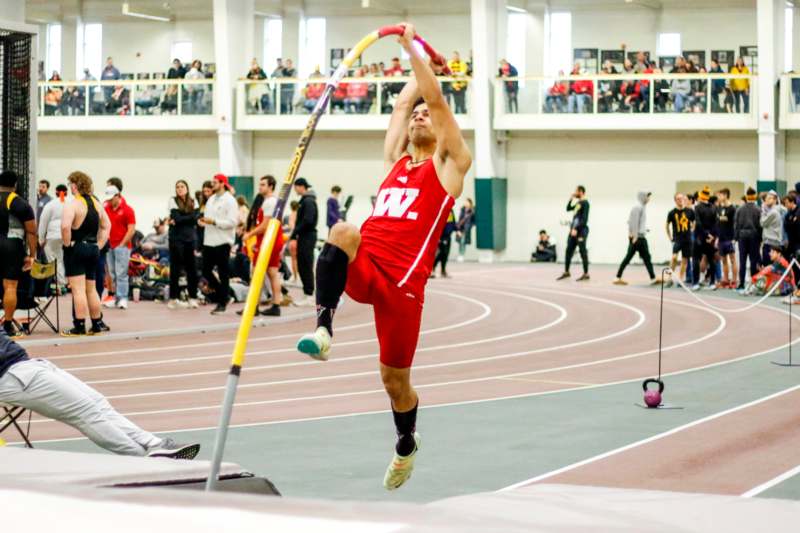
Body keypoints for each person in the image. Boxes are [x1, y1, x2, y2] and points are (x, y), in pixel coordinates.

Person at [294, 23, 472, 491]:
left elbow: (435, 101)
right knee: (342, 231)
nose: (418, 116)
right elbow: (403, 102)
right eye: (414, 115)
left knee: (394, 383)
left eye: (425, 117)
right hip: (367, 265)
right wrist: (421, 69)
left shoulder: (451, 165)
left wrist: (413, 50)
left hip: (404, 290)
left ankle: (406, 442)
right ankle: (323, 329)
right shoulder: (396, 159)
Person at [0, 330, 200, 458]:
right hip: (12, 376)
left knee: (98, 402)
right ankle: (143, 459)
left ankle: (155, 445)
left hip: (28, 364)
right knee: (86, 413)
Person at [61, 171, 110, 336]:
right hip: (93, 249)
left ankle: (80, 326)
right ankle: (97, 324)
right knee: (91, 289)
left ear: (74, 185)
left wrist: (67, 245)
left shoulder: (73, 204)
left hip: (78, 248)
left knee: (78, 290)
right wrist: (99, 245)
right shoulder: (97, 204)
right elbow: (106, 226)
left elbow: (65, 227)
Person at [239, 175, 283, 317]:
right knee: (272, 273)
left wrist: (250, 235)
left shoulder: (269, 202)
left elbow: (265, 226)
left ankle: (253, 307)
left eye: (263, 184)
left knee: (256, 273)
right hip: (272, 240)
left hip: (268, 241)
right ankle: (276, 305)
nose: (260, 187)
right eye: (260, 184)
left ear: (271, 186)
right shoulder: (273, 201)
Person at [0, 171, 37, 337]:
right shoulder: (20, 203)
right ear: (15, 184)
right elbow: (31, 231)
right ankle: (7, 325)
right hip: (12, 246)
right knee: (10, 286)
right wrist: (32, 255)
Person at [199, 174, 238, 314]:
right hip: (209, 241)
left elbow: (233, 222)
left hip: (223, 241)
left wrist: (214, 222)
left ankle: (222, 303)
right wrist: (203, 222)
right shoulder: (210, 200)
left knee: (223, 273)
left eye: (214, 183)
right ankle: (225, 295)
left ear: (222, 184)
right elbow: (209, 219)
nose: (212, 185)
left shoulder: (230, 200)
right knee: (205, 271)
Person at [614, 192, 659, 285]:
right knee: (631, 258)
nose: (649, 198)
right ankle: (617, 277)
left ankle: (653, 278)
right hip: (638, 239)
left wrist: (644, 229)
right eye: (647, 196)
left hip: (640, 237)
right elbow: (632, 222)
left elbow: (637, 222)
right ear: (642, 197)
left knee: (646, 258)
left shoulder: (642, 207)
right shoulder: (637, 207)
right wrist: (634, 236)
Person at [167, 180, 199, 309]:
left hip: (190, 239)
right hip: (176, 239)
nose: (180, 189)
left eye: (182, 186)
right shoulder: (172, 200)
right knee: (175, 269)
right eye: (177, 187)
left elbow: (195, 218)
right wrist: (188, 217)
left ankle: (192, 297)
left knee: (192, 269)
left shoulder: (194, 200)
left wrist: (181, 218)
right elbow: (178, 218)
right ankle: (173, 298)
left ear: (187, 188)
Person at [103, 184, 136, 309]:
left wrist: (121, 244)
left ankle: (123, 298)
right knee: (112, 273)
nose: (110, 201)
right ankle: (115, 297)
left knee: (121, 274)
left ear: (118, 196)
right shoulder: (106, 207)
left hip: (122, 246)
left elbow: (131, 230)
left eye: (112, 198)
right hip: (109, 246)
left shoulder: (128, 210)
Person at [289, 178, 318, 306]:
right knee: (302, 264)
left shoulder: (308, 201)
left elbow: (308, 220)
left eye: (296, 187)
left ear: (301, 187)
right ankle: (307, 293)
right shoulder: (305, 201)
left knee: (306, 264)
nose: (295, 190)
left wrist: (295, 232)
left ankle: (310, 295)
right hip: (304, 236)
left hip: (308, 236)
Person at [38, 184, 69, 286]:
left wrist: (41, 239)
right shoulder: (70, 203)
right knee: (61, 259)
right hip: (67, 235)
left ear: (56, 192)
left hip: (53, 236)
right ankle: (62, 282)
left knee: (53, 260)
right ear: (66, 192)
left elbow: (43, 222)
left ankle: (58, 283)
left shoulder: (50, 205)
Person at [557, 185, 590, 281]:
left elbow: (584, 219)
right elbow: (568, 208)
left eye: (576, 191)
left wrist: (576, 228)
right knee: (568, 251)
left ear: (581, 192)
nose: (575, 193)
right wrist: (571, 199)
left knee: (582, 251)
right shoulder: (578, 203)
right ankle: (567, 272)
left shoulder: (585, 203)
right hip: (573, 231)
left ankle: (586, 273)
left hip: (581, 231)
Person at [735, 187, 762, 292]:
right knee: (753, 261)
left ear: (746, 196)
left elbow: (736, 225)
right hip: (754, 238)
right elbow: (760, 226)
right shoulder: (758, 209)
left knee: (742, 261)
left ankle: (741, 283)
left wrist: (736, 237)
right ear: (755, 197)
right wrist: (760, 239)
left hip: (742, 237)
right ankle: (753, 283)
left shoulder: (740, 209)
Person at [665, 193, 695, 286]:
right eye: (678, 199)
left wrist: (692, 229)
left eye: (682, 198)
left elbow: (694, 222)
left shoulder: (690, 211)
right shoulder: (672, 213)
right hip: (677, 239)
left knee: (685, 260)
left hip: (687, 239)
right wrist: (670, 237)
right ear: (675, 200)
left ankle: (680, 279)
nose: (680, 200)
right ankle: (669, 278)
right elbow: (666, 225)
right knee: (674, 258)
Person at [692, 186, 718, 290]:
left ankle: (696, 283)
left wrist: (705, 235)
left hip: (700, 237)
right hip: (710, 238)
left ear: (701, 196)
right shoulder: (713, 207)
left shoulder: (697, 207)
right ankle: (712, 282)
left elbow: (698, 223)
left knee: (695, 259)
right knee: (711, 260)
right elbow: (716, 223)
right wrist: (712, 235)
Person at [716, 188, 738, 288]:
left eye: (720, 195)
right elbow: (719, 223)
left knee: (732, 260)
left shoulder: (732, 209)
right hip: (721, 238)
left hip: (730, 238)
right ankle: (725, 279)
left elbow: (735, 224)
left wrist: (734, 238)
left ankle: (734, 280)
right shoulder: (719, 208)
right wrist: (717, 237)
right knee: (723, 261)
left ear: (725, 195)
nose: (718, 197)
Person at [760, 190, 783, 266]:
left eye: (770, 198)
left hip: (771, 243)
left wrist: (763, 211)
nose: (766, 200)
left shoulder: (773, 212)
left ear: (775, 200)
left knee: (768, 267)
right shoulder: (777, 210)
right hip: (773, 242)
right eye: (767, 198)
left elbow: (762, 223)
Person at [432, 209, 457, 278]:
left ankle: (443, 271)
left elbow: (452, 222)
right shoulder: (441, 208)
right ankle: (432, 269)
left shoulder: (450, 210)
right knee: (441, 253)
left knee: (446, 254)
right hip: (440, 236)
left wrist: (457, 230)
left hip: (448, 236)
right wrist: (438, 236)